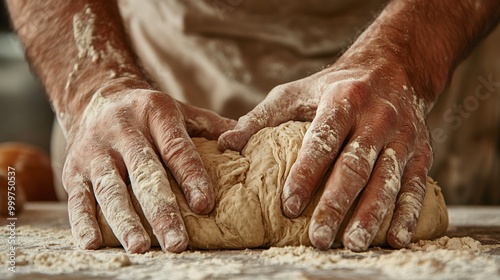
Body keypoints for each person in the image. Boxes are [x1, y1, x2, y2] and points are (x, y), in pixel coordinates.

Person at [6, 0, 499, 253]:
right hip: (160, 66)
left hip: (402, 83)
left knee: (393, 203)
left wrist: (405, 60)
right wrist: (95, 82)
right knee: (136, 202)